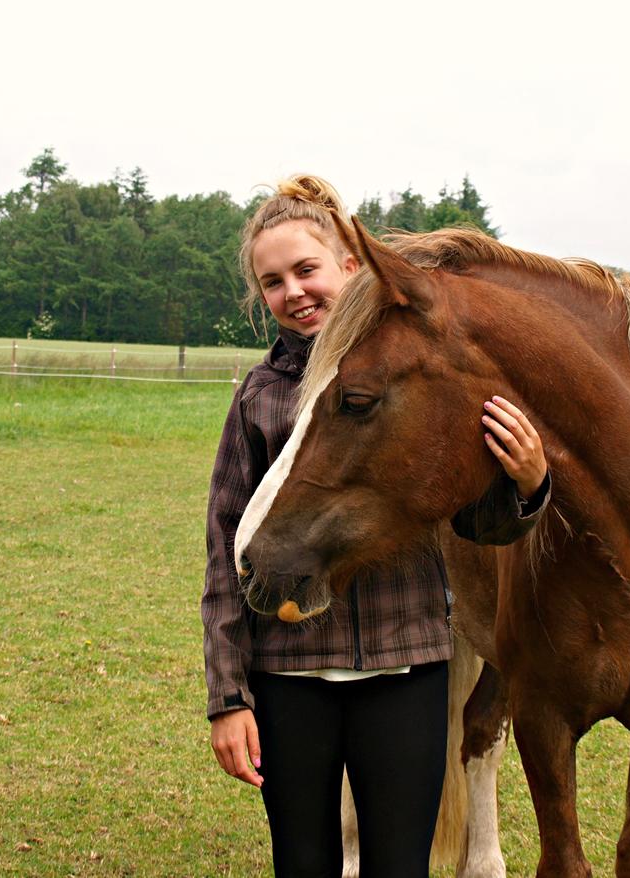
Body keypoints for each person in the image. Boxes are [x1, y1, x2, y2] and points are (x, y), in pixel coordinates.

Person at [202, 175, 550, 878]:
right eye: (273, 281)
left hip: (407, 666)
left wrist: (530, 485)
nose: (294, 291)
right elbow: (224, 549)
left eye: (307, 269)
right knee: (305, 863)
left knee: (400, 866)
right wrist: (227, 700)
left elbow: (475, 524)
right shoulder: (261, 395)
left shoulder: (413, 383)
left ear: (351, 268)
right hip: (290, 672)